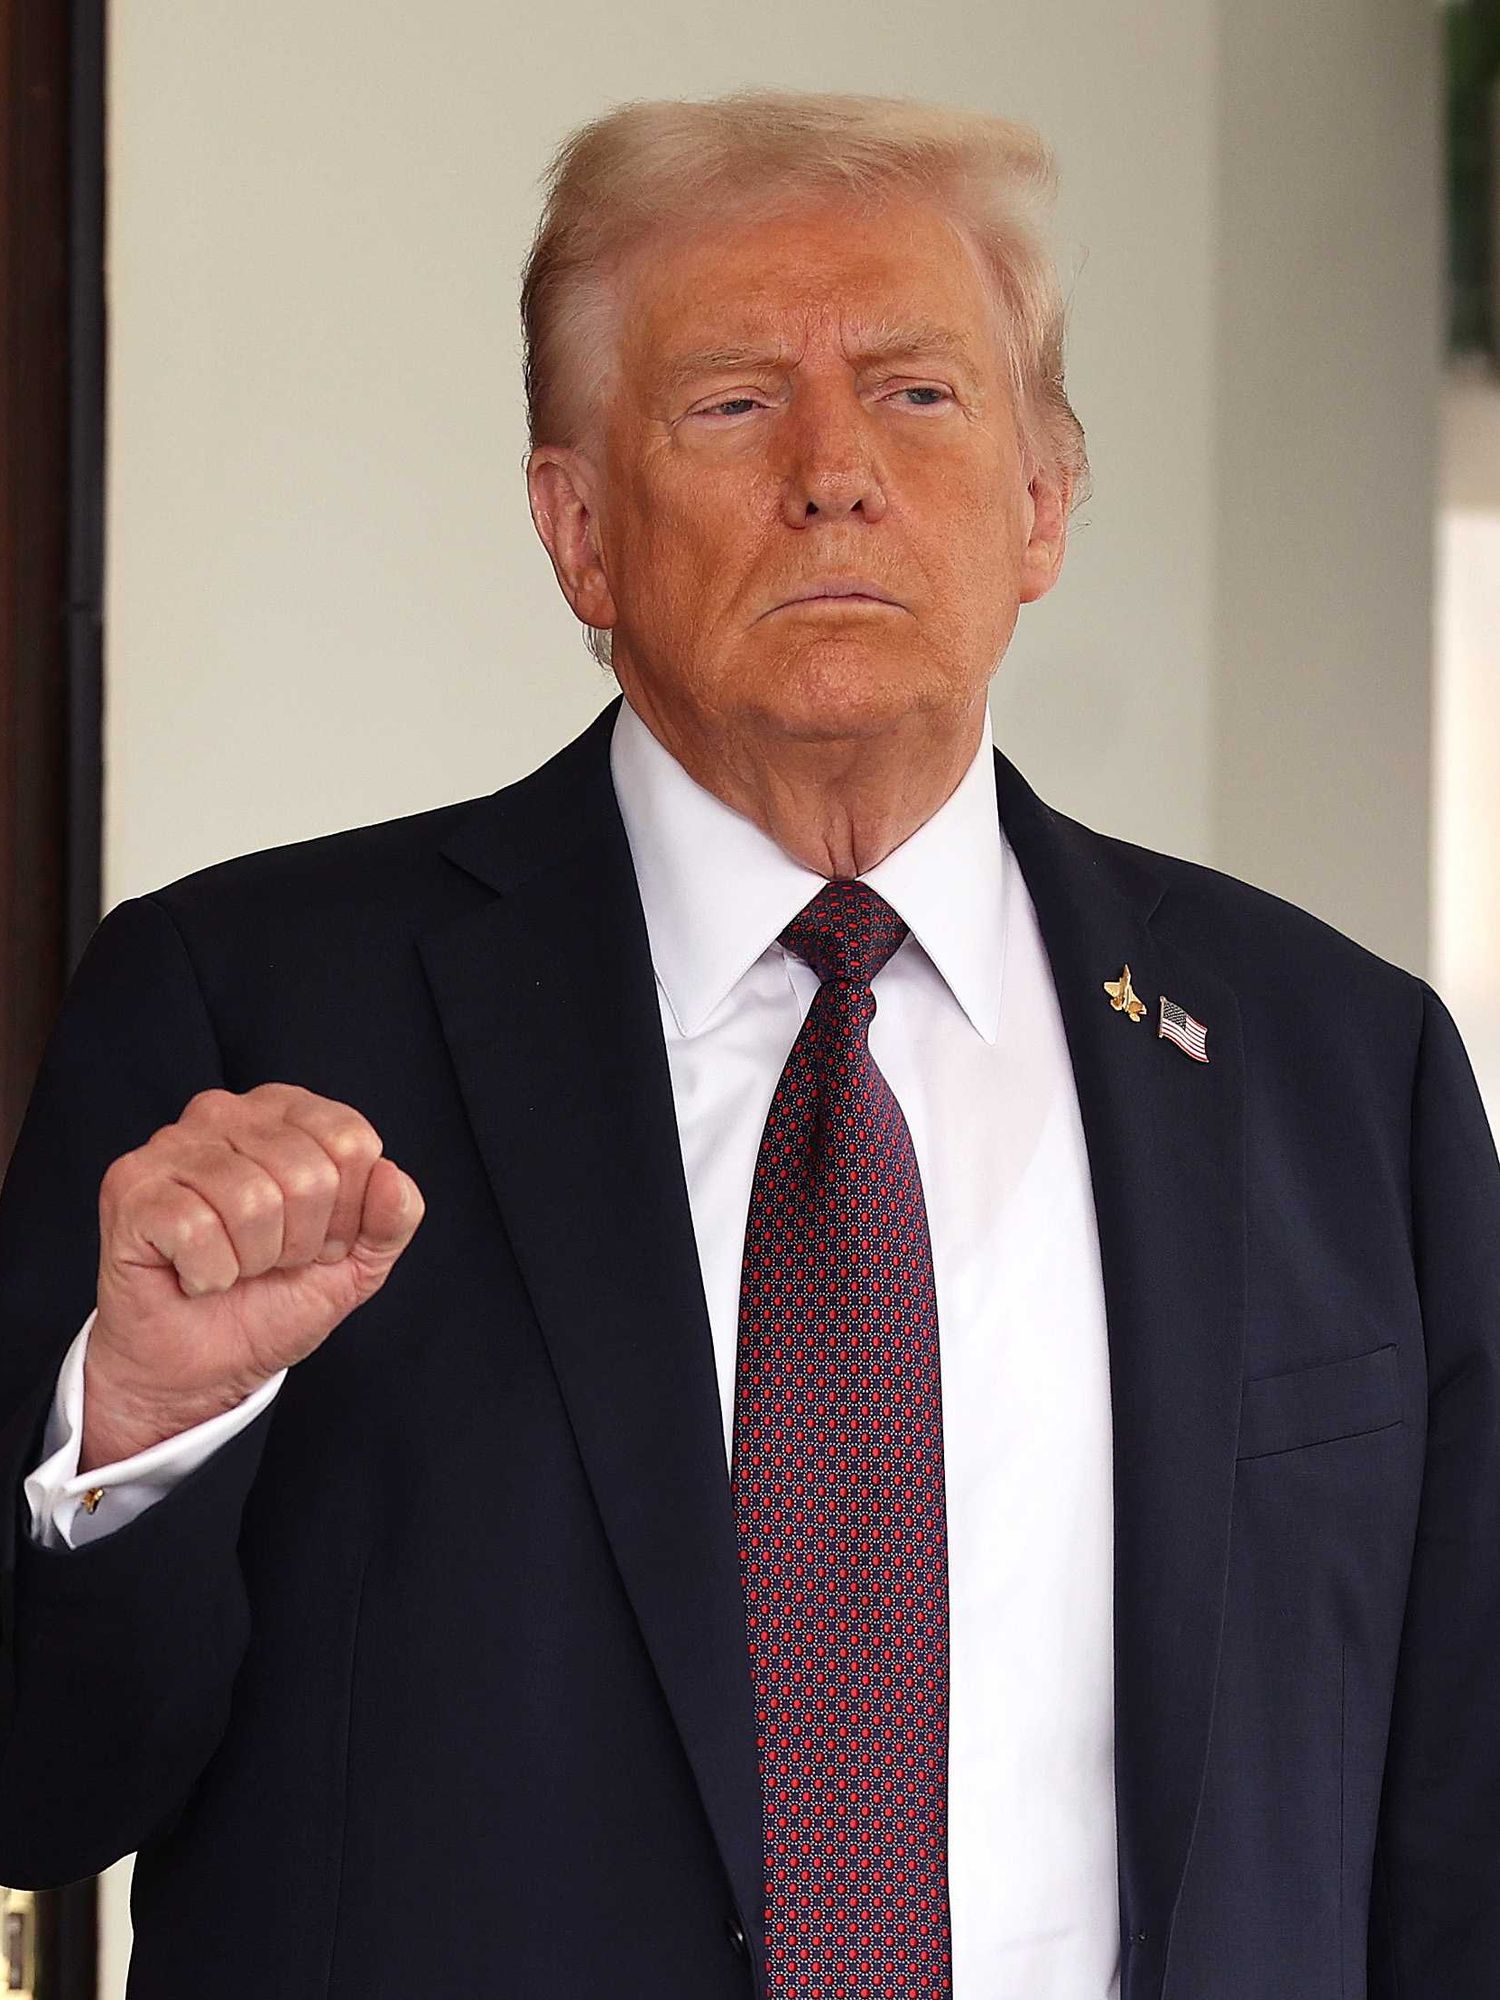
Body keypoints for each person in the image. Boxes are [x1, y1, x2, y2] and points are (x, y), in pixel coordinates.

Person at [0, 86, 1495, 2000]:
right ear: (580, 529)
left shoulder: (1340, 1068)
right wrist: (137, 1440)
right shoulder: (252, 1013)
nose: (833, 472)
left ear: (1044, 503)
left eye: (919, 394)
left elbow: (1459, 1828)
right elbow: (40, 1795)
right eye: (729, 402)